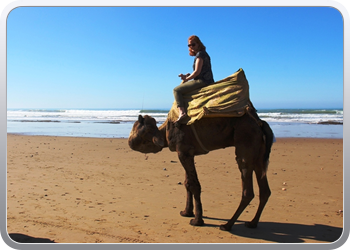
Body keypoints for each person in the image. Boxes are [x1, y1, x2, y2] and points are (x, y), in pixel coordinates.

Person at [173, 35, 214, 122]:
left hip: (202, 81)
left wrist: (186, 78)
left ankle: (182, 112)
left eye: (193, 44)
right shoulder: (204, 54)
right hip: (207, 80)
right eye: (189, 45)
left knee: (176, 90)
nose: (191, 47)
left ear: (198, 44)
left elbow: (197, 72)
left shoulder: (200, 54)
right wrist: (188, 76)